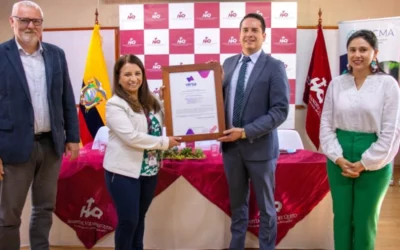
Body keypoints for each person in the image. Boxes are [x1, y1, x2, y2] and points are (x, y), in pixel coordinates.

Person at [0, 1, 80, 249]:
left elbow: (67, 96)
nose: (30, 26)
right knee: (8, 216)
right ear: (12, 22)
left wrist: (73, 137)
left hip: (50, 145)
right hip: (13, 148)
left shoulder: (56, 54)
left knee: (44, 209)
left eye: (36, 21)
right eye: (24, 20)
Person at [319, 29, 400, 250]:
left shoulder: (388, 85)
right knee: (342, 218)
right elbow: (325, 125)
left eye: (363, 49)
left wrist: (365, 162)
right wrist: (337, 157)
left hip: (375, 157)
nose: (357, 54)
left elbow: (392, 131)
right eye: (352, 49)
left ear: (375, 53)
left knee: (365, 220)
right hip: (339, 156)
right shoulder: (337, 83)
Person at [217, 13, 290, 250]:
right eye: (245, 30)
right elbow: (218, 100)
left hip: (260, 149)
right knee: (237, 205)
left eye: (255, 30)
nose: (249, 34)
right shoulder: (228, 64)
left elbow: (279, 111)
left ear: (264, 35)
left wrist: (246, 131)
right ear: (238, 35)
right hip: (231, 149)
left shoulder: (275, 67)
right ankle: (236, 245)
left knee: (267, 209)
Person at [103, 54, 181, 250]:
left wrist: (165, 102)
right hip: (123, 172)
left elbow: (158, 122)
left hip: (149, 170)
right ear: (118, 77)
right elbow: (132, 137)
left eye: (138, 73)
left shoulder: (149, 102)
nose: (133, 78)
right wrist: (165, 142)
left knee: (138, 219)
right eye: (127, 74)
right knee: (128, 221)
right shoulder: (115, 105)